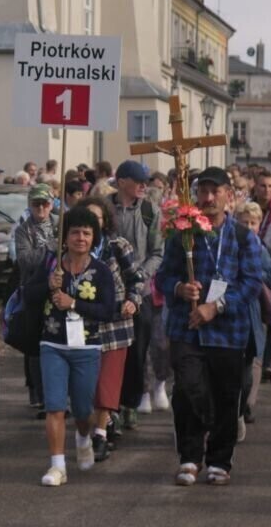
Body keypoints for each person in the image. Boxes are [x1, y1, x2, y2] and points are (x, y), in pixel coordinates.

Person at [156, 166, 262, 486]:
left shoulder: (243, 237)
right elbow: (163, 276)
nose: (209, 197)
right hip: (186, 327)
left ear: (229, 196)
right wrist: (179, 289)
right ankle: (189, 457)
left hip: (227, 331)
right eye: (203, 191)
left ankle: (219, 459)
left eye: (216, 191)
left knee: (227, 393)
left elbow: (252, 283)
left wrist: (216, 307)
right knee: (188, 389)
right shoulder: (183, 234)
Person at [24, 207, 115, 486]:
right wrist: (47, 286)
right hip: (52, 344)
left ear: (93, 238)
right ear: (65, 237)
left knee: (83, 411)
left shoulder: (101, 271)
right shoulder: (51, 265)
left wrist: (74, 303)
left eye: (86, 233)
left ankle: (84, 437)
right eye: (75, 232)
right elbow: (28, 295)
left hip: (87, 349)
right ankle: (58, 466)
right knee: (55, 407)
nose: (80, 238)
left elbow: (109, 310)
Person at [76, 197, 144, 461]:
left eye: (97, 218)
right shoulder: (73, 248)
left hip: (115, 326)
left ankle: (101, 434)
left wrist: (133, 301)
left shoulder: (117, 246)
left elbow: (137, 278)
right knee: (85, 386)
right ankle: (96, 425)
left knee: (107, 384)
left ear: (104, 221)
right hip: (82, 327)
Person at [110, 160, 163, 430]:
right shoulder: (105, 208)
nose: (144, 185)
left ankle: (130, 402)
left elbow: (157, 252)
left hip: (138, 293)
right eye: (138, 180)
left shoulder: (149, 211)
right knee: (108, 351)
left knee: (136, 350)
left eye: (146, 180)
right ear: (121, 182)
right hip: (106, 291)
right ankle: (110, 405)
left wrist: (139, 278)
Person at [15, 184, 58, 413]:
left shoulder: (61, 225)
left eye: (45, 203)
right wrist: (50, 249)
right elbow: (25, 260)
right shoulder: (24, 230)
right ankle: (38, 394)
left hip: (59, 290)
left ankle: (58, 394)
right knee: (34, 346)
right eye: (36, 204)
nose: (41, 208)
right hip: (33, 291)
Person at [234, 202, 271, 439]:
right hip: (233, 310)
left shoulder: (260, 249)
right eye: (244, 222)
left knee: (250, 368)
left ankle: (244, 406)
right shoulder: (229, 245)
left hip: (255, 311)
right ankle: (234, 412)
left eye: (253, 223)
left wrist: (253, 272)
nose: (249, 227)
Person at [253, 171, 271, 240]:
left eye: (270, 186)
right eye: (263, 186)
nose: (267, 190)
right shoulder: (248, 207)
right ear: (256, 187)